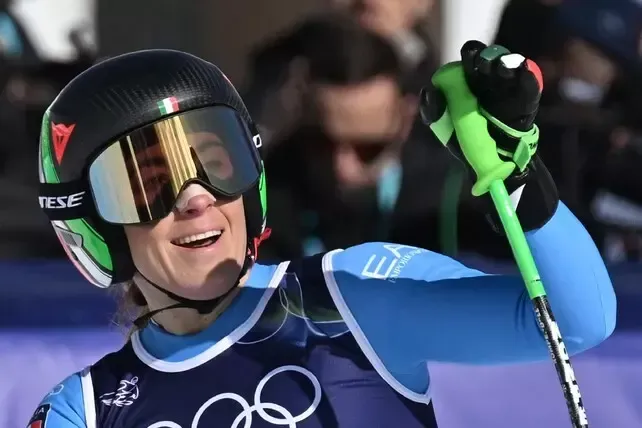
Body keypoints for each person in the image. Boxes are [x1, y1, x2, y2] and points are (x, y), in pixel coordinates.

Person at [30, 44, 615, 428]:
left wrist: (515, 177)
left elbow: (578, 321)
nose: (196, 197)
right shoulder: (86, 410)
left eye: (217, 161)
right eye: (149, 185)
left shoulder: (350, 295)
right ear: (91, 223)